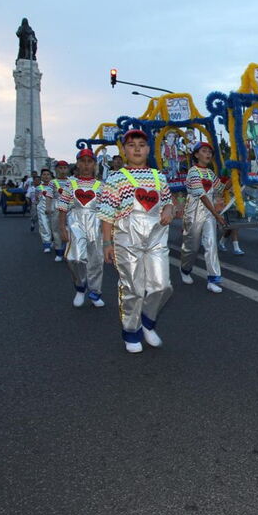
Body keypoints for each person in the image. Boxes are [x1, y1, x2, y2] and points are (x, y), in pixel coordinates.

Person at [100, 130, 174, 353]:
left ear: (149, 149)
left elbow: (168, 202)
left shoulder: (159, 176)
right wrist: (106, 243)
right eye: (132, 145)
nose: (137, 149)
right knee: (133, 287)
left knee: (162, 286)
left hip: (156, 237)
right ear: (124, 150)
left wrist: (169, 210)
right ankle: (131, 332)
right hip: (126, 238)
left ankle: (147, 322)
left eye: (142, 144)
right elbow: (106, 214)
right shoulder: (115, 179)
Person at [58, 149, 105, 308]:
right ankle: (80, 286)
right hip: (75, 222)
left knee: (96, 259)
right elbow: (63, 206)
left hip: (96, 223)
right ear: (77, 164)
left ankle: (95, 292)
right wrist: (62, 227)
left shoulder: (101, 185)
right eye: (83, 161)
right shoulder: (71, 183)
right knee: (74, 258)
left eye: (89, 161)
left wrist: (108, 233)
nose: (86, 165)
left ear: (94, 164)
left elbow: (107, 210)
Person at [179, 141, 226, 292]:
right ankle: (185, 269)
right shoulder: (193, 171)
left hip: (209, 212)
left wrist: (236, 175)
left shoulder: (210, 173)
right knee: (192, 247)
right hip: (194, 212)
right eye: (204, 151)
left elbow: (221, 189)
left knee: (211, 243)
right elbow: (202, 195)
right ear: (196, 154)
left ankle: (213, 279)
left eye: (210, 152)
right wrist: (216, 214)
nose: (208, 154)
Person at [50, 161, 72, 261]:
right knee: (56, 229)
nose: (62, 170)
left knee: (70, 229)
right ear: (56, 169)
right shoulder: (52, 182)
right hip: (57, 207)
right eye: (60, 168)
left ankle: (69, 250)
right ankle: (59, 252)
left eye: (64, 168)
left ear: (68, 169)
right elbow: (49, 196)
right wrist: (48, 207)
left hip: (70, 208)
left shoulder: (72, 181)